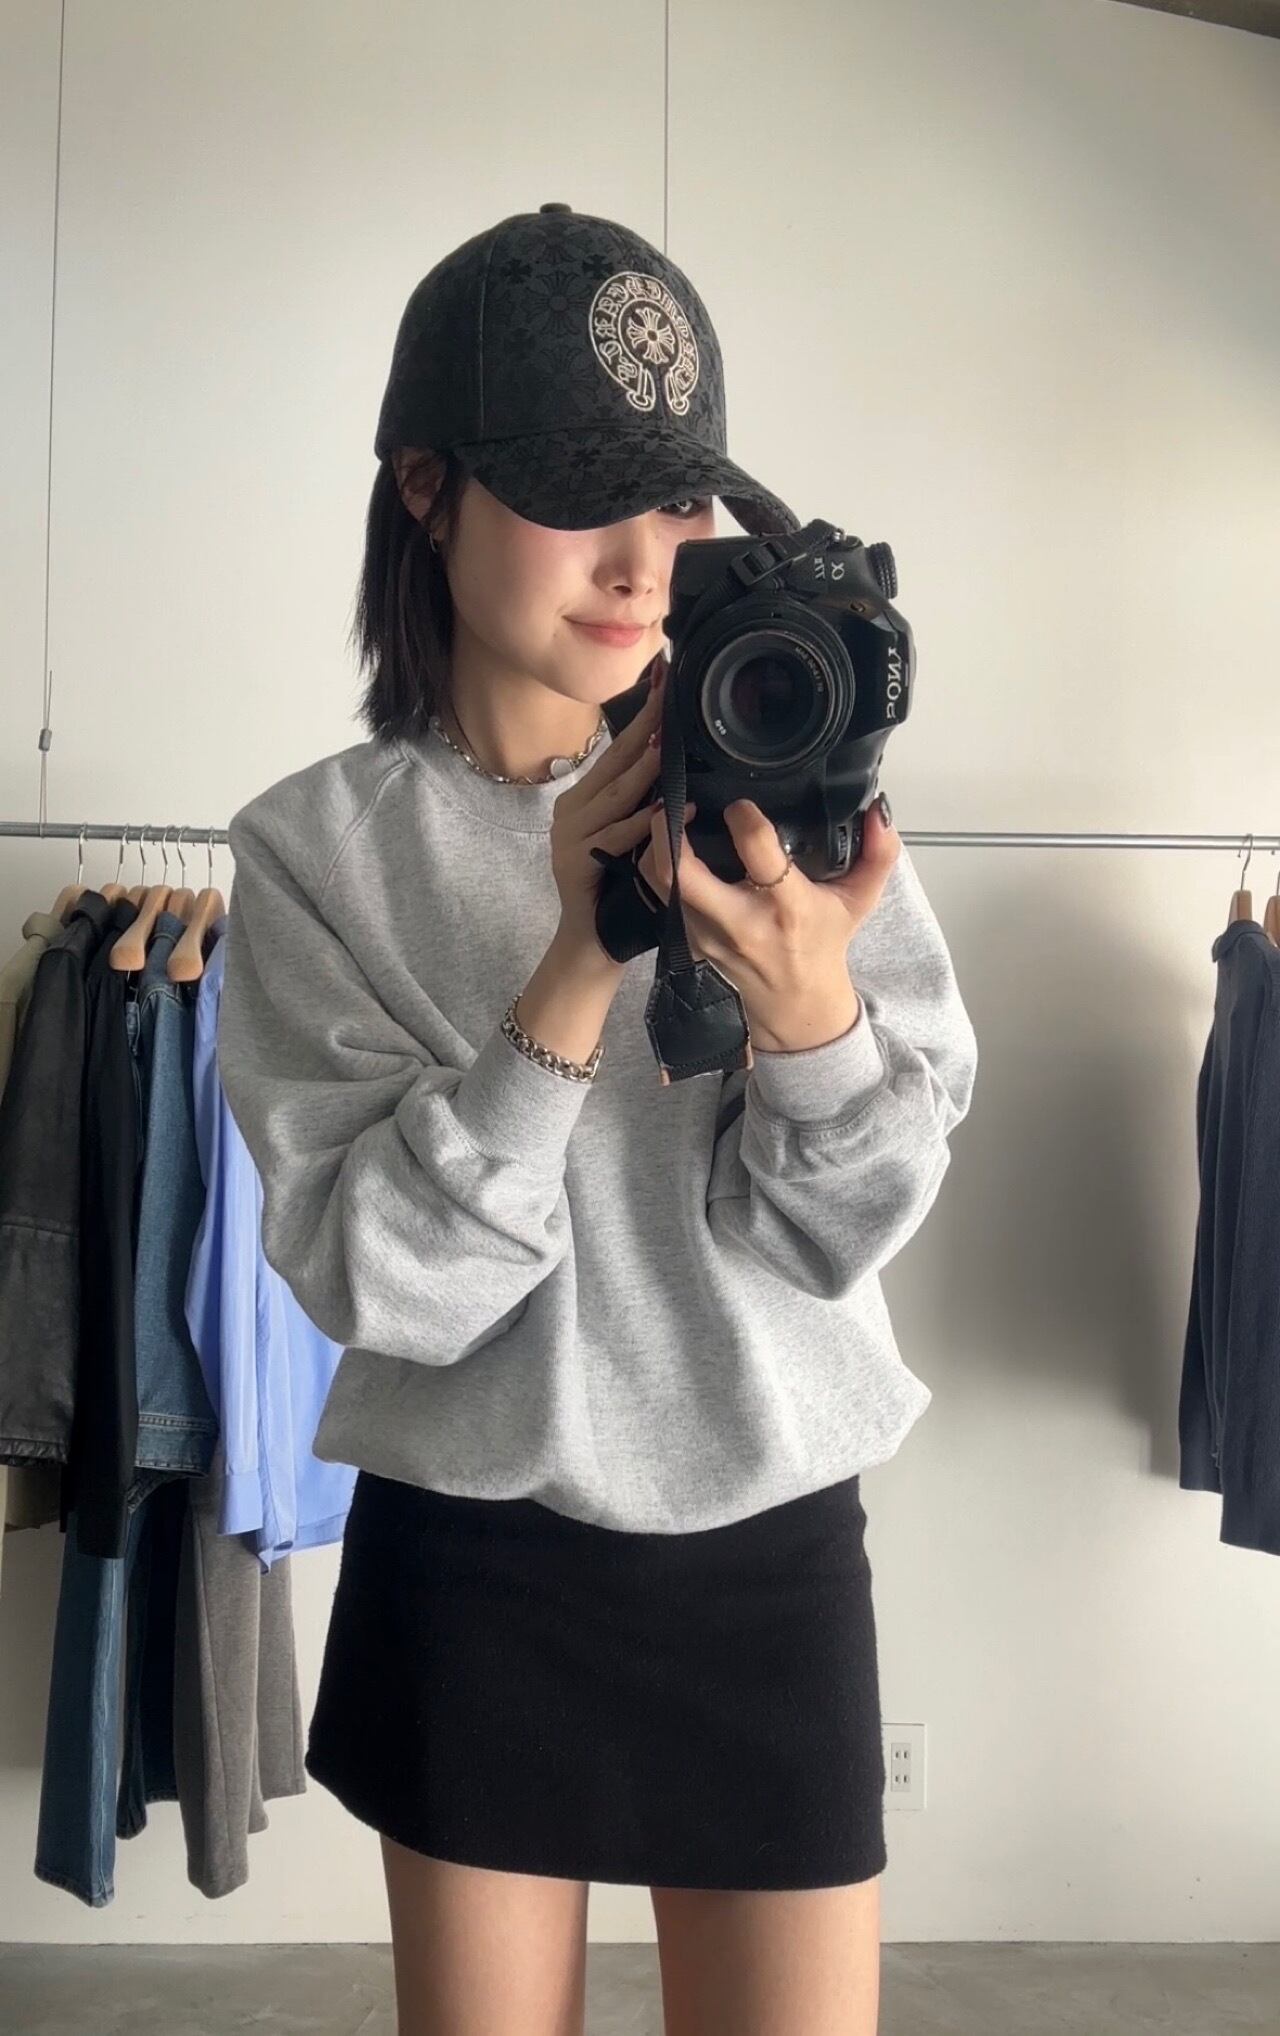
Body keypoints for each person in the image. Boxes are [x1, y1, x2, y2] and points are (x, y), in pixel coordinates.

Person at [216, 203, 979, 2036]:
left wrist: (813, 1022)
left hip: (772, 1534)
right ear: (427, 490)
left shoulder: (791, 782)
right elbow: (389, 1291)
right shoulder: (315, 854)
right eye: (582, 499)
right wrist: (575, 963)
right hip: (476, 1557)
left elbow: (847, 1229)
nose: (646, 566)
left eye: (683, 501)